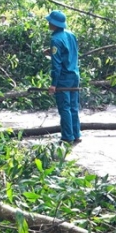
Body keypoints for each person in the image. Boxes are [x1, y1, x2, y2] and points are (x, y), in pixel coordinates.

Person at [43, 10, 81, 144]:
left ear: (54, 24)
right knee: (73, 106)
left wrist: (54, 83)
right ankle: (76, 134)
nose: (48, 23)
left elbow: (57, 64)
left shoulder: (55, 39)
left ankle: (67, 137)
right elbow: (70, 53)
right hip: (74, 75)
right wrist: (50, 52)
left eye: (50, 21)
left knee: (64, 107)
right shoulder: (71, 35)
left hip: (63, 78)